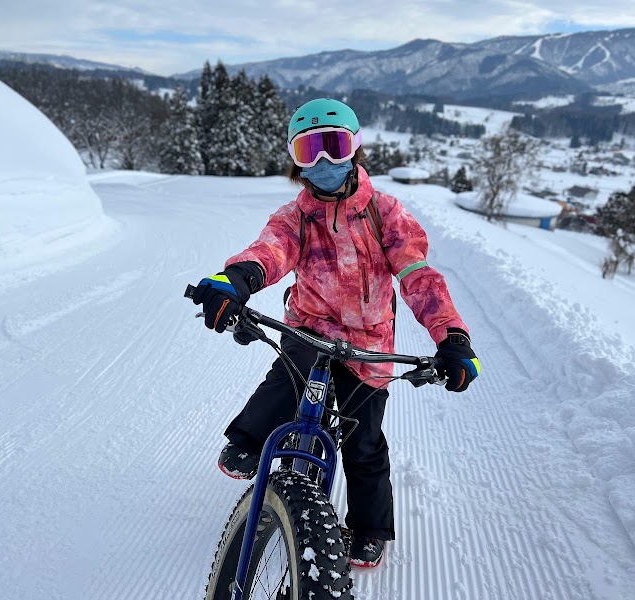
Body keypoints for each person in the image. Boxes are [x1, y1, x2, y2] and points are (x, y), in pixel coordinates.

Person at [191, 98, 480, 568]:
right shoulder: (295, 218)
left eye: (334, 147)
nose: (324, 163)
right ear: (295, 160)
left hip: (369, 342)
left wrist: (452, 337)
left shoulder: (386, 213)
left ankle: (369, 529)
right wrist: (236, 280)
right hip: (310, 324)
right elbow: (269, 251)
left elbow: (418, 276)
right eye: (310, 151)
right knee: (288, 376)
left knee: (364, 440)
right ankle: (249, 440)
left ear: (355, 150)